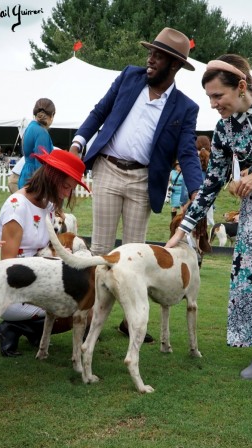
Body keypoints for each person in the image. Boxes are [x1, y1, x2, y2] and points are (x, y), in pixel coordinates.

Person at [70, 27, 203, 342]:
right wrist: (78, 142)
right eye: (151, 52)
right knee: (101, 250)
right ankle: (89, 318)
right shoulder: (129, 76)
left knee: (136, 259)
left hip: (144, 181)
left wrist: (197, 190)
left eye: (158, 56)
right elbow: (99, 111)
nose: (150, 59)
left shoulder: (185, 108)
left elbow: (186, 152)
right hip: (107, 169)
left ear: (173, 65)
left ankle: (131, 324)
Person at [166, 54, 252, 380]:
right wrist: (182, 230)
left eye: (218, 96)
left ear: (241, 86)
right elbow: (211, 184)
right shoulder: (224, 128)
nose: (214, 104)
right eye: (209, 97)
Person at [0, 149, 90, 357]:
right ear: (51, 177)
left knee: (86, 306)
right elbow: (7, 267)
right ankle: (12, 328)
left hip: (37, 282)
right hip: (14, 290)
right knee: (74, 312)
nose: (66, 194)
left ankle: (29, 330)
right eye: (65, 186)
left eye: (70, 189)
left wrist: (58, 254)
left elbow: (44, 248)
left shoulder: (47, 205)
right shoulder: (16, 207)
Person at [18, 98, 55, 188]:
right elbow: (40, 163)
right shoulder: (41, 132)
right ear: (52, 115)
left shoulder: (30, 127)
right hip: (34, 179)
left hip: (26, 174)